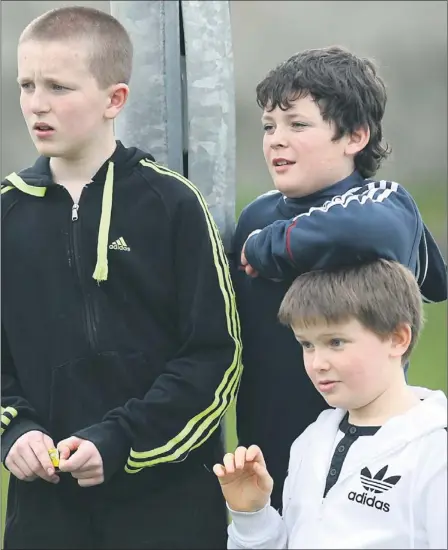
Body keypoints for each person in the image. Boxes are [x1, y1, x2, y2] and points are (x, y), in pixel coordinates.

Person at [1, 6, 242, 549]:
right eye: (27, 85)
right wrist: (14, 431)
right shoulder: (5, 215)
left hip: (169, 506)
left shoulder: (174, 204)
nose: (37, 103)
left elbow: (214, 359)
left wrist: (122, 440)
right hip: (46, 513)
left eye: (59, 87)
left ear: (115, 100)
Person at [231, 46, 447, 511]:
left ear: (354, 136)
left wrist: (272, 247)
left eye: (298, 124)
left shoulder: (382, 202)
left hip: (367, 470)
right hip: (267, 466)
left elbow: (383, 234)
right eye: (269, 126)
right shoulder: (257, 215)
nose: (275, 140)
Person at [215, 259, 447, 549]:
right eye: (307, 345)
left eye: (335, 342)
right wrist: (253, 516)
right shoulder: (312, 439)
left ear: (397, 338)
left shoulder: (436, 452)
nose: (317, 363)